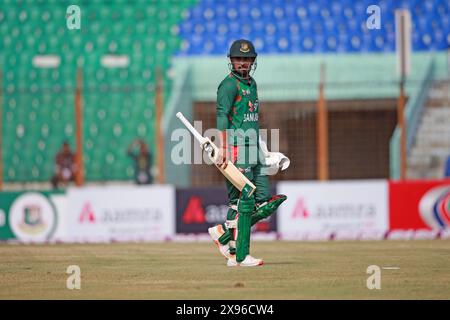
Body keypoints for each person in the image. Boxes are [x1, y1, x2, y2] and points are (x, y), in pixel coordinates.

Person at [207, 39, 287, 267]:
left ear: (253, 61)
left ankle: (223, 236)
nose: (242, 63)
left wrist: (264, 149)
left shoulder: (252, 84)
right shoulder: (228, 85)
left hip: (254, 148)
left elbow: (252, 121)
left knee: (262, 200)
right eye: (238, 59)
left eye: (247, 59)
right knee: (242, 200)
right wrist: (222, 147)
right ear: (231, 60)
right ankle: (240, 255)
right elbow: (222, 116)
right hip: (236, 148)